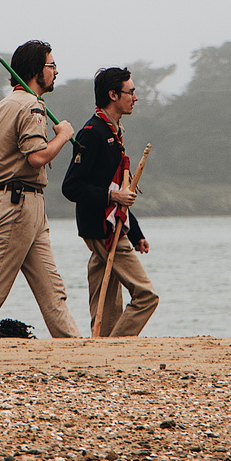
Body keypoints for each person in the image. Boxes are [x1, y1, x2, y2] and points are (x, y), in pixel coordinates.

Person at [0, 40, 80, 337]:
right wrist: (63, 135)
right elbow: (37, 157)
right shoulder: (32, 106)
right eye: (51, 65)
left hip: (22, 205)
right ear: (36, 70)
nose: (56, 72)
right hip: (18, 204)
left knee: (52, 291)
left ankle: (75, 347)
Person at [61, 67, 159, 337]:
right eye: (131, 92)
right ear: (113, 94)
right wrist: (111, 196)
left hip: (113, 226)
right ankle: (116, 347)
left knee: (105, 305)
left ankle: (102, 349)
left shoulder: (114, 133)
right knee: (147, 296)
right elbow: (71, 186)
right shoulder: (92, 133)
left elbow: (122, 192)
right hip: (101, 228)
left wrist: (136, 234)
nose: (135, 98)